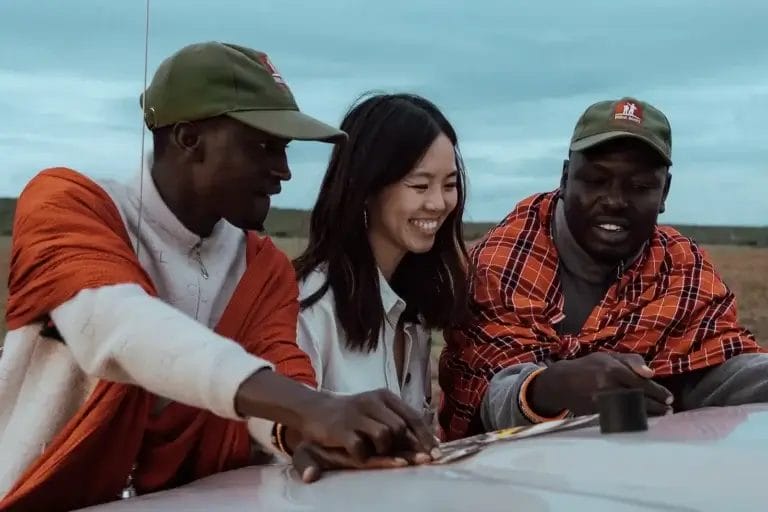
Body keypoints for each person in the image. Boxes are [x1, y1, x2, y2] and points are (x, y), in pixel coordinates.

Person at [0, 42, 437, 512]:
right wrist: (312, 410)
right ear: (189, 138)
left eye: (286, 149)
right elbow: (116, 325)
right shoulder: (69, 204)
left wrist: (301, 434)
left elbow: (282, 370)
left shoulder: (262, 264)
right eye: (265, 146)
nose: (284, 172)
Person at [438, 97, 768, 441]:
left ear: (665, 192)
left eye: (639, 187)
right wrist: (554, 387)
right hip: (509, 481)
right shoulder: (503, 261)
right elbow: (487, 399)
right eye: (595, 180)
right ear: (566, 179)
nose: (614, 200)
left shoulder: (681, 266)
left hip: (638, 473)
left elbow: (715, 373)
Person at [293, 93, 470, 427]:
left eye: (450, 184)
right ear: (367, 187)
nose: (438, 203)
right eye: (420, 185)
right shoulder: (312, 307)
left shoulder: (410, 313)